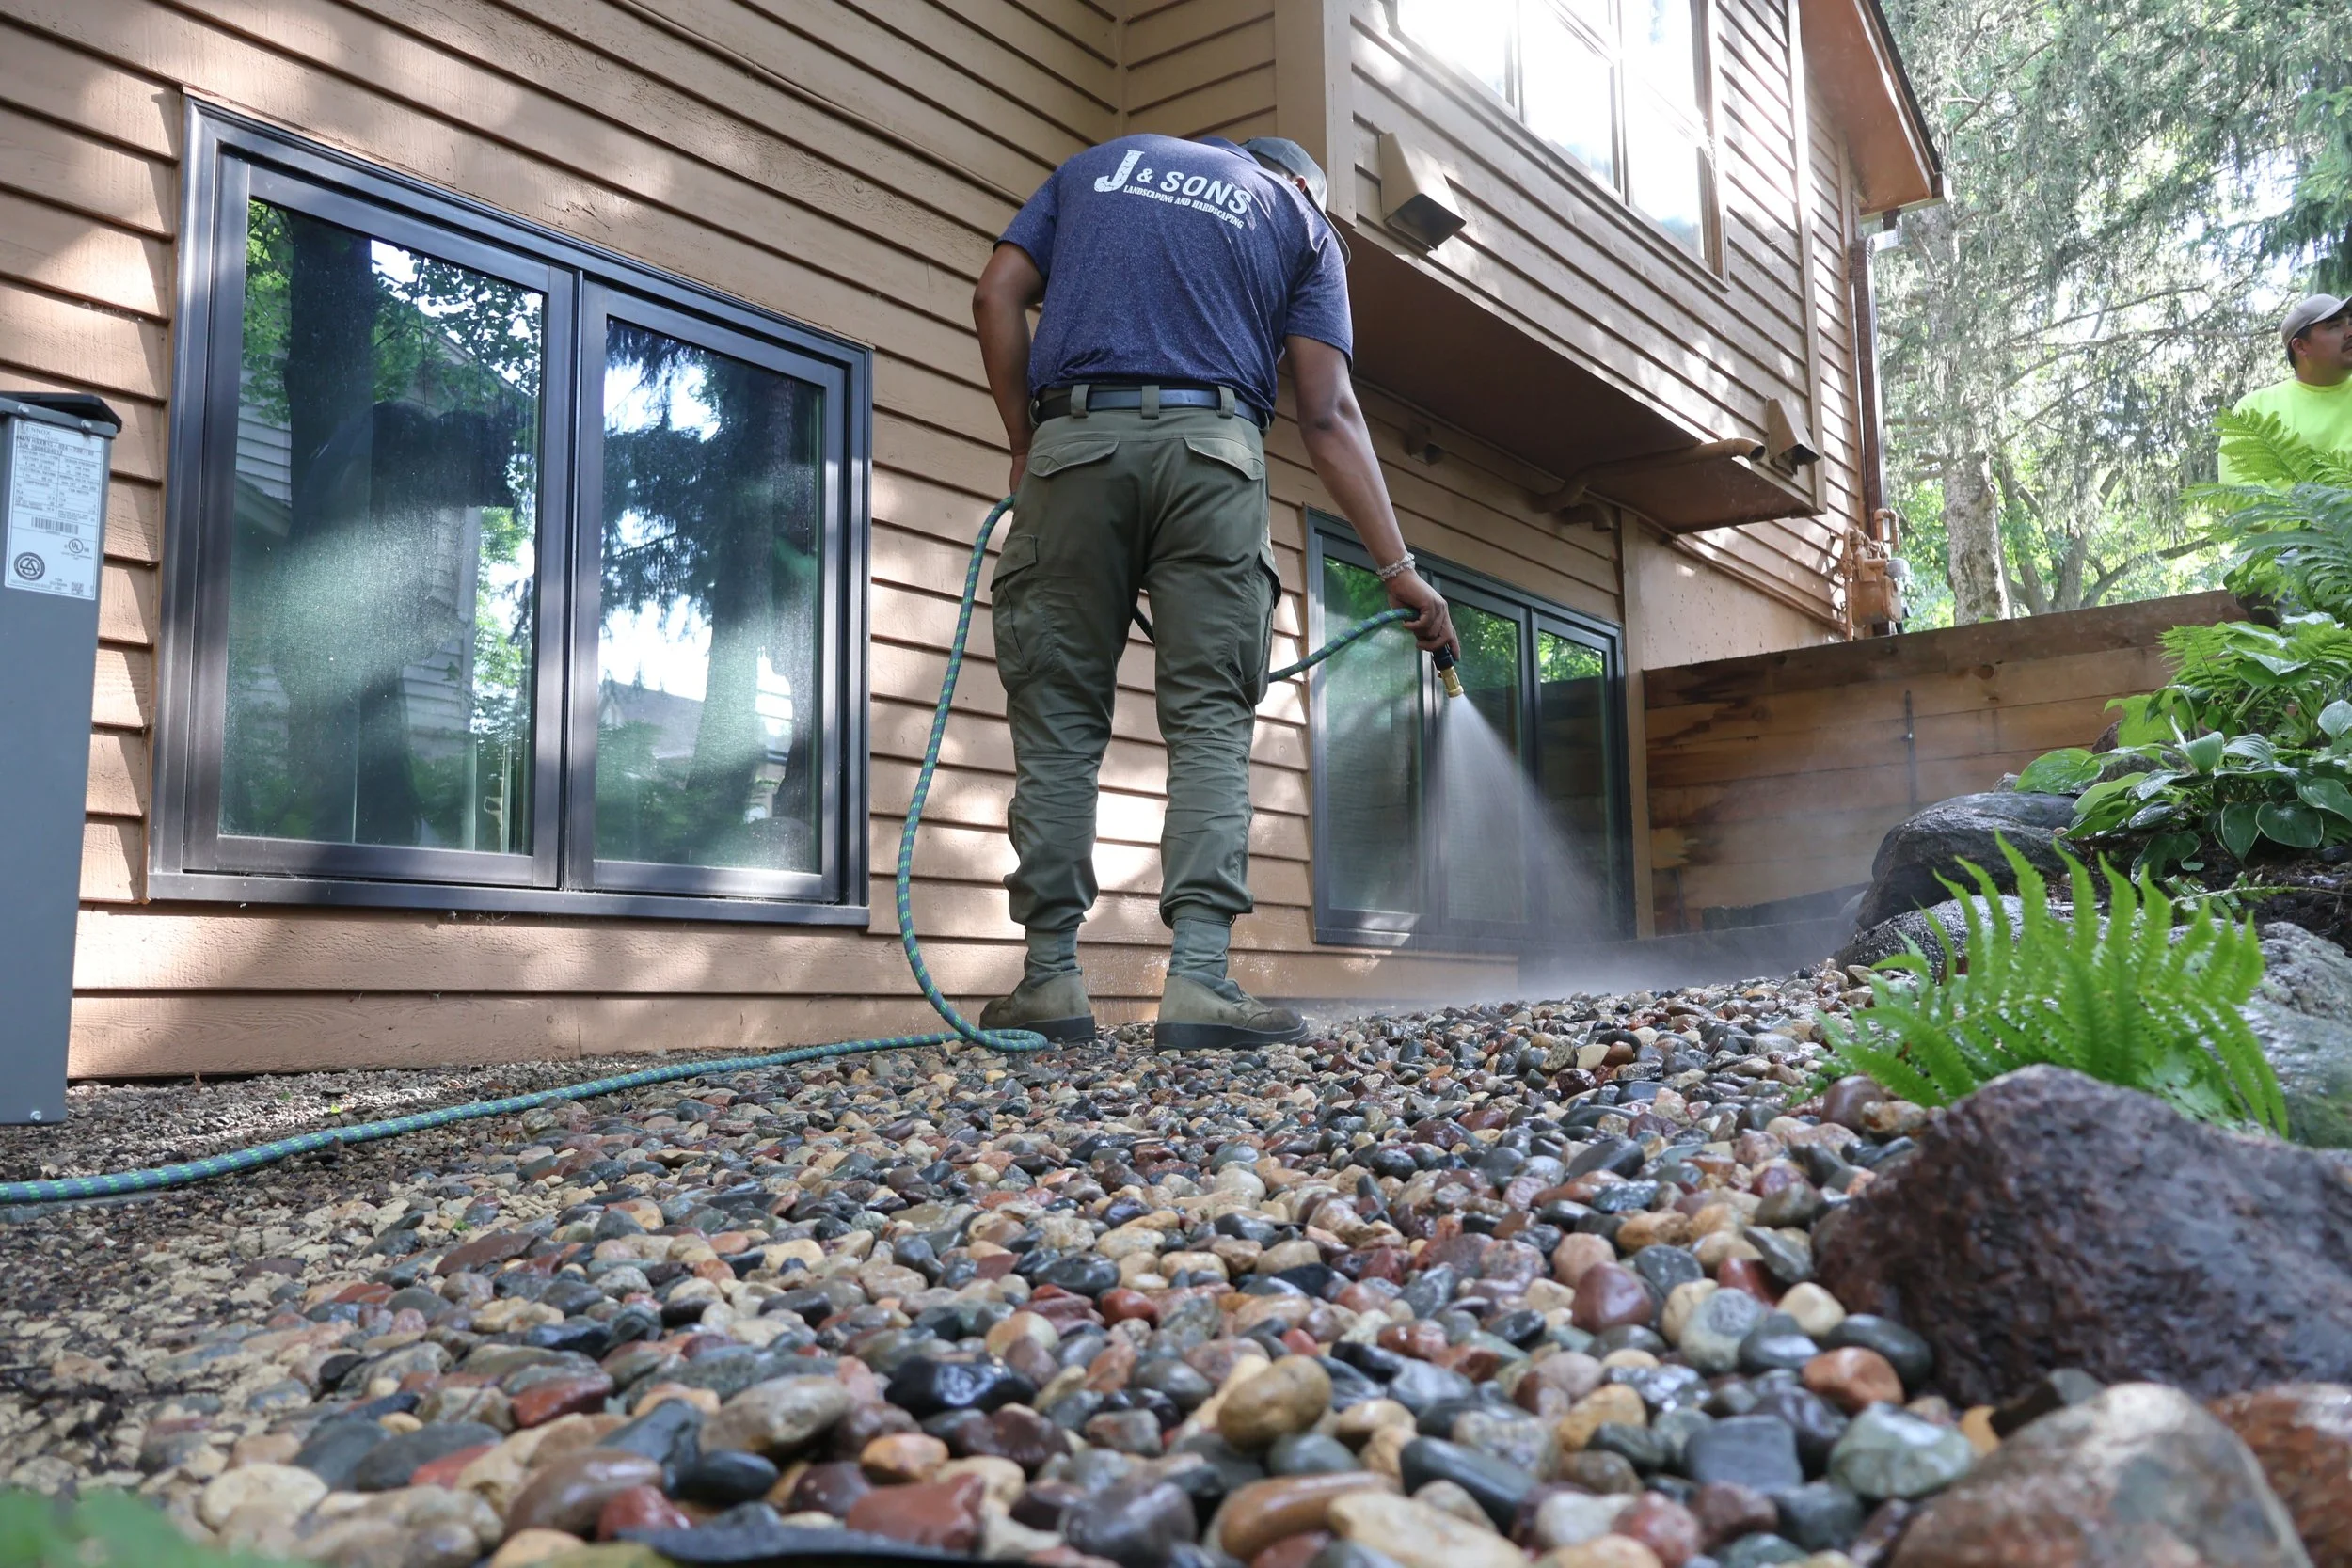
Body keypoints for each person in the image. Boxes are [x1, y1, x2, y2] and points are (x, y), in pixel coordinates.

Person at [969, 133, 1457, 1051]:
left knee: (1061, 717)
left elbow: (995, 294)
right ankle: (1197, 980)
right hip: (1212, 454)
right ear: (1302, 183)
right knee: (1207, 720)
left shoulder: (1096, 167)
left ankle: (1046, 980)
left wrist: (1027, 442)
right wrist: (1399, 569)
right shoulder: (1300, 222)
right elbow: (1326, 409)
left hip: (1074, 439)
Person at [2220, 293, 2352, 482]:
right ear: (2300, 347)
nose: (2349, 332)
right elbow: (2243, 496)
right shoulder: (2253, 411)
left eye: (2351, 322)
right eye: (2334, 326)